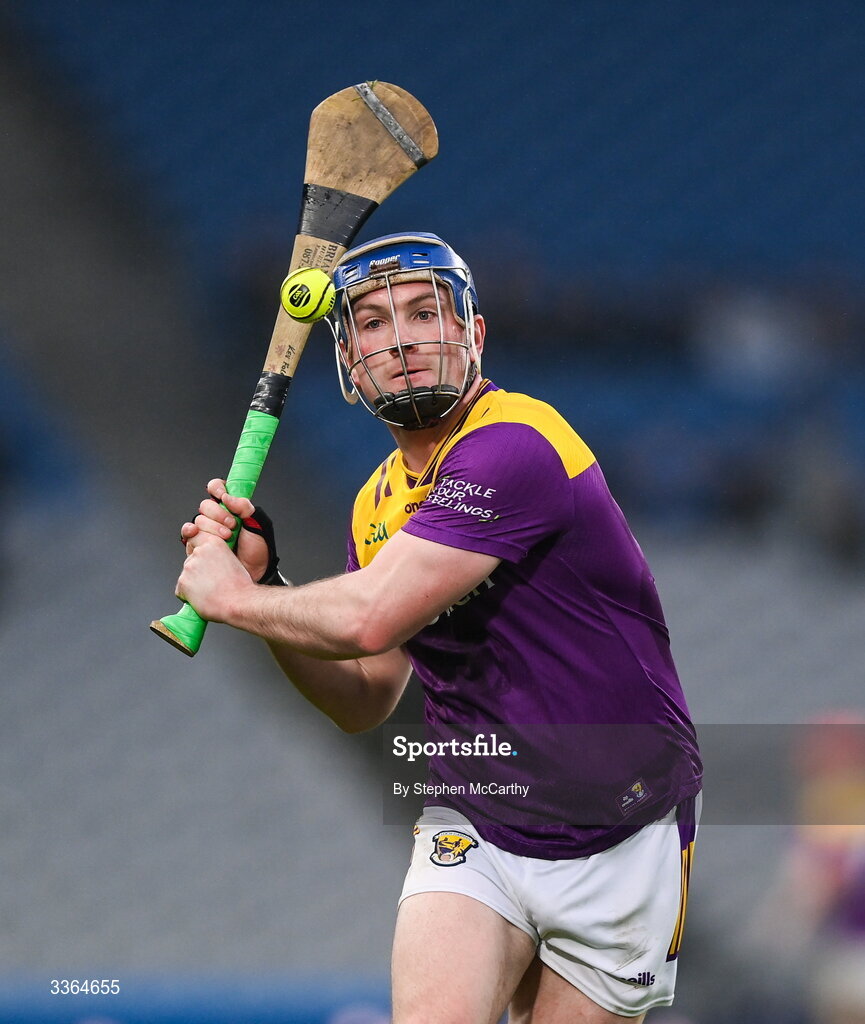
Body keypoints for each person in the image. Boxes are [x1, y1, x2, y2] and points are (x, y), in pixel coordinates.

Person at [176, 232, 703, 1024]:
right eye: (374, 325)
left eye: (424, 313)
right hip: (476, 815)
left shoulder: (517, 444)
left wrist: (230, 601)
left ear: (472, 334)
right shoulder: (374, 502)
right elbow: (362, 696)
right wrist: (265, 587)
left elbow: (367, 617)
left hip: (619, 824)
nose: (403, 340)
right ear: (349, 362)